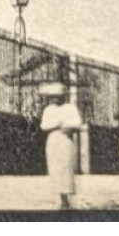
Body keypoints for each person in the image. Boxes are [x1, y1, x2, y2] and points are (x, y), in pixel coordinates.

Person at [38, 81, 83, 210]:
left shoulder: (70, 108)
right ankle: (61, 198)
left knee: (66, 168)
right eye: (53, 96)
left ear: (64, 96)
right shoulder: (48, 109)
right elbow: (44, 126)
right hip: (53, 140)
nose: (55, 99)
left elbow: (77, 123)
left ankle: (66, 199)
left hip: (65, 141)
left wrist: (68, 127)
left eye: (58, 96)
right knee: (55, 169)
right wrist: (58, 124)